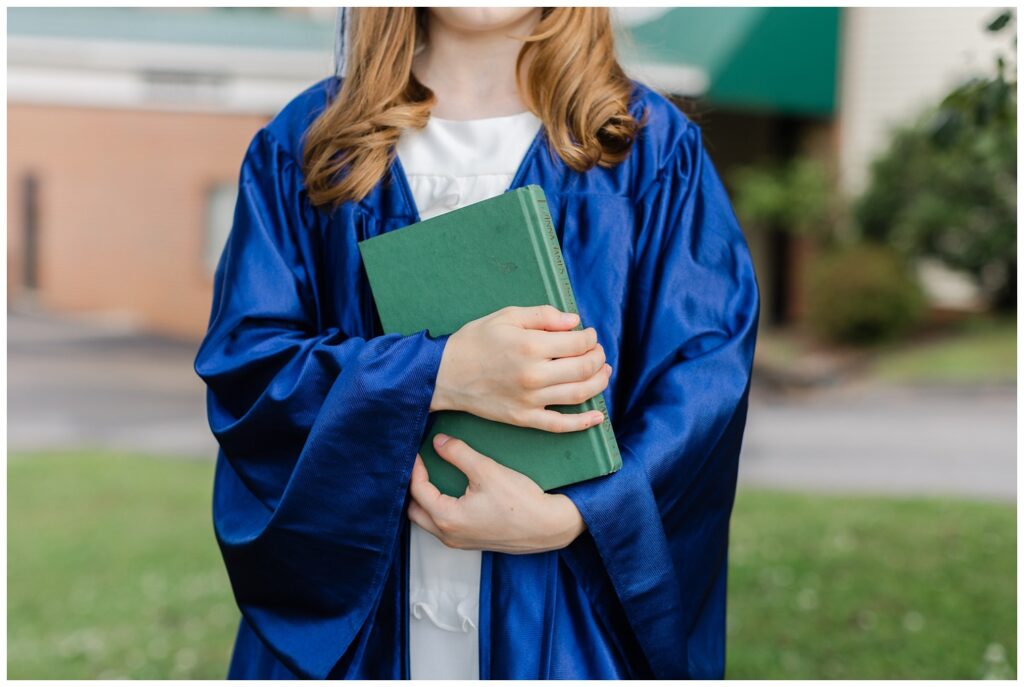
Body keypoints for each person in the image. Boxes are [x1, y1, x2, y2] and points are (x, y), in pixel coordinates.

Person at [194, 6, 759, 680]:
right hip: (369, 625)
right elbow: (251, 365)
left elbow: (703, 380)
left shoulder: (646, 150)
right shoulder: (312, 144)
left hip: (564, 622)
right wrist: (437, 371)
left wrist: (578, 514)